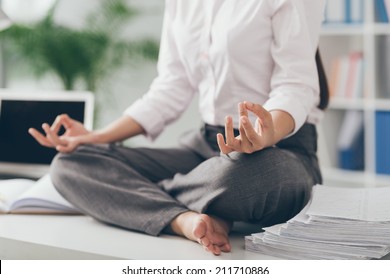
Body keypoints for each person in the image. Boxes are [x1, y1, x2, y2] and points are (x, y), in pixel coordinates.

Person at [29, 0, 327, 256]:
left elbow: (296, 85)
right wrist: (98, 136)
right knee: (71, 164)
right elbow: (172, 86)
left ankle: (135, 196)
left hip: (277, 149)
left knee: (247, 178)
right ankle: (183, 219)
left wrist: (267, 132)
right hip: (206, 146)